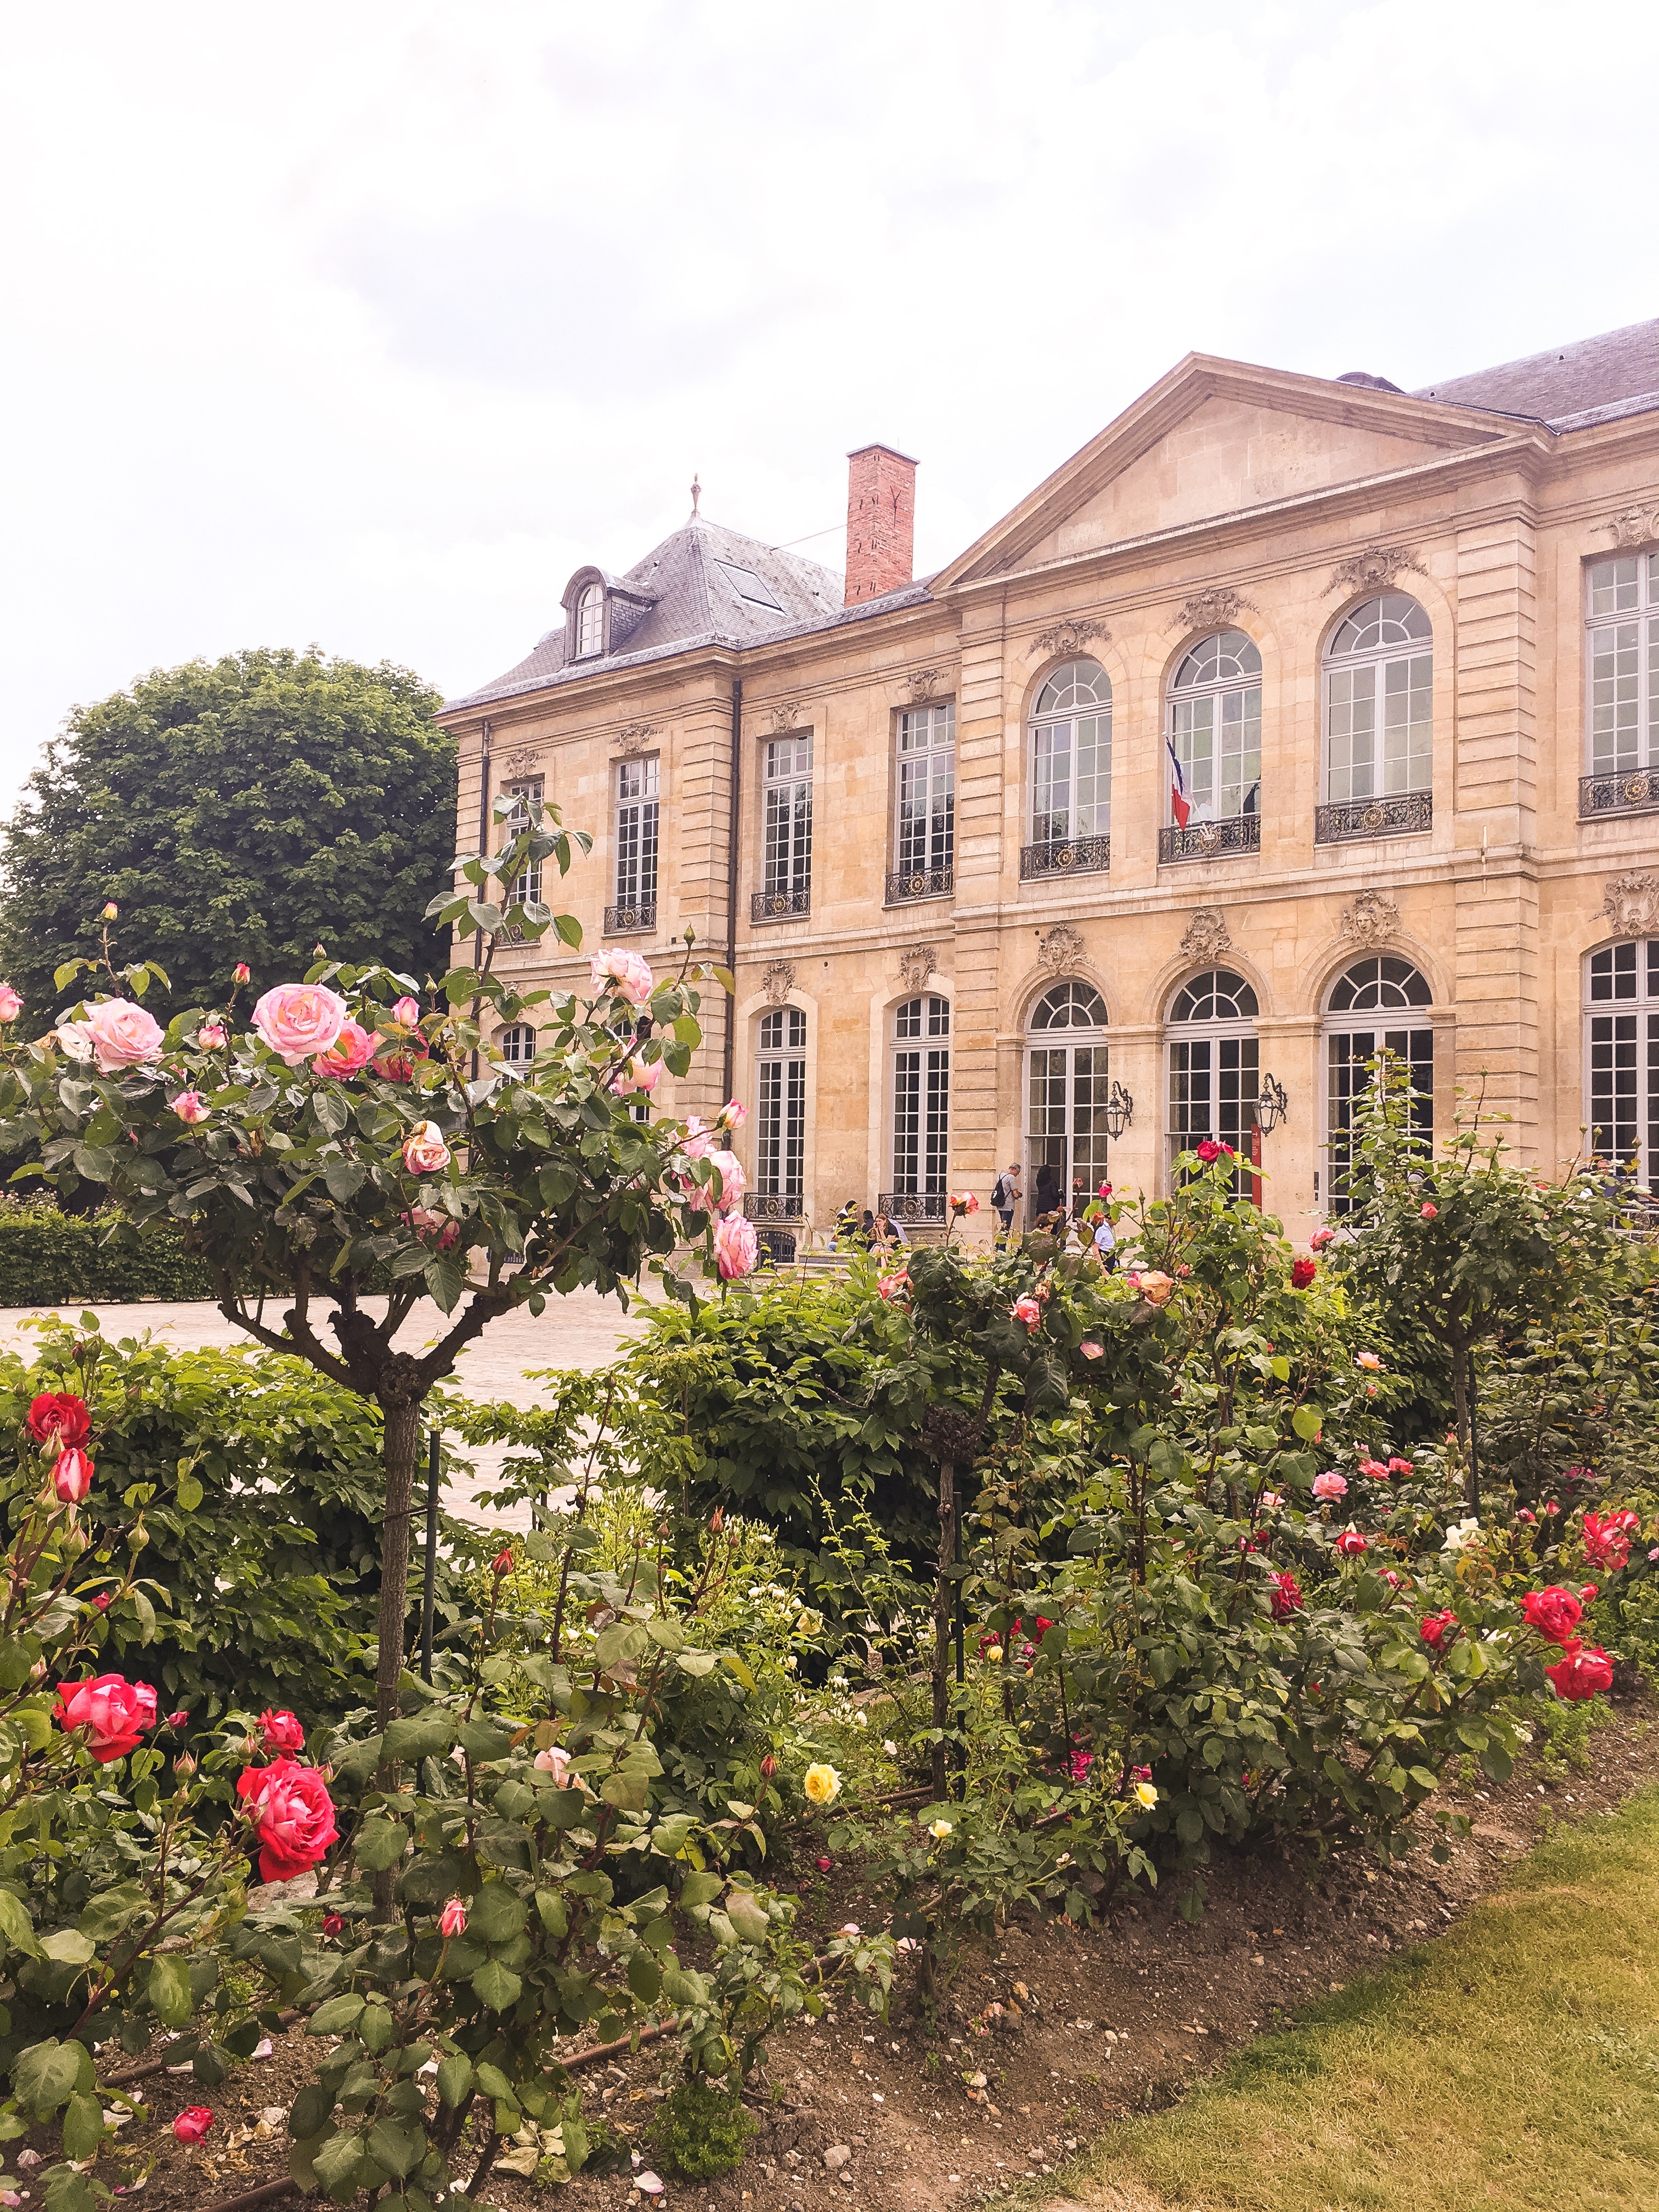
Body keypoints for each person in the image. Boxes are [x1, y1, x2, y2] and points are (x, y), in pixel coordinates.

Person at [990, 1161, 1020, 1245]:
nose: (1017, 1175)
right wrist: (1019, 1195)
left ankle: (998, 1245)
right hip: (1008, 1206)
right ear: (1014, 1170)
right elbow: (1015, 1193)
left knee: (1004, 1226)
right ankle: (1000, 1247)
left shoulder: (1000, 1176)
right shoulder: (1011, 1178)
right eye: (1017, 1173)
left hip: (1000, 1204)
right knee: (1006, 1227)